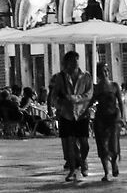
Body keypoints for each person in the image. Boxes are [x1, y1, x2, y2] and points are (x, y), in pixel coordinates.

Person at [50, 51, 89, 184]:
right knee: (70, 144)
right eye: (72, 61)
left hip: (82, 113)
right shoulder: (60, 77)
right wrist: (59, 106)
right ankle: (73, 169)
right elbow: (54, 95)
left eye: (76, 60)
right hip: (66, 114)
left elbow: (89, 94)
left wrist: (75, 99)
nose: (75, 63)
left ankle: (83, 160)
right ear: (66, 63)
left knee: (84, 143)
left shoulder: (86, 76)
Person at [90, 62, 123, 181]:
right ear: (98, 74)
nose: (105, 73)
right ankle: (106, 172)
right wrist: (83, 111)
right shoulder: (97, 88)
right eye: (102, 71)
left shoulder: (115, 86)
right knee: (102, 145)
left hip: (113, 117)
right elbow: (91, 101)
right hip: (100, 118)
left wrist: (122, 117)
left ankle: (114, 162)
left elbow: (120, 101)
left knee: (113, 144)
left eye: (106, 71)